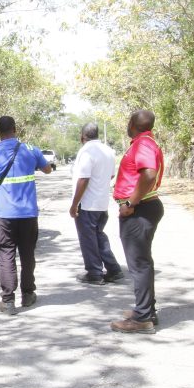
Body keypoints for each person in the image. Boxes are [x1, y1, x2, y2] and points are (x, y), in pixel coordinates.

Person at [0, 116, 53, 315]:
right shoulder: (31, 150)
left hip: (4, 215)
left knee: (6, 255)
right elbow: (47, 170)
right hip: (28, 214)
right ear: (15, 128)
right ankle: (28, 295)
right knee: (28, 254)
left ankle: (8, 302)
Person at [110, 109, 165, 334]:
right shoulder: (144, 142)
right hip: (143, 207)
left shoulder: (143, 144)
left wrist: (130, 203)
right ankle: (146, 310)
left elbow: (149, 174)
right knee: (142, 262)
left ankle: (142, 319)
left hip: (139, 210)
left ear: (132, 124)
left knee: (139, 264)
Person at [69, 123, 123, 284]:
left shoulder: (86, 151)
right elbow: (111, 175)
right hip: (102, 202)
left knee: (88, 239)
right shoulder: (108, 151)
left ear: (82, 137)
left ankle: (94, 273)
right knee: (98, 235)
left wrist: (74, 204)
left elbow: (83, 179)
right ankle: (113, 269)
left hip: (87, 204)